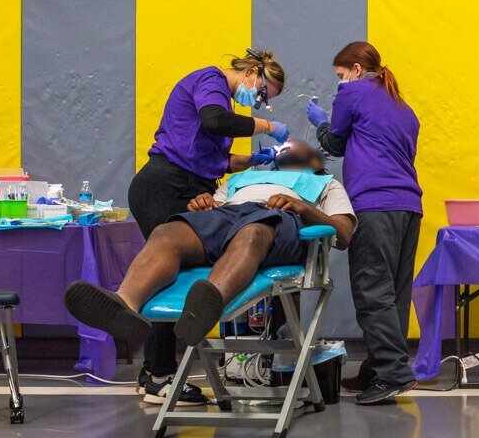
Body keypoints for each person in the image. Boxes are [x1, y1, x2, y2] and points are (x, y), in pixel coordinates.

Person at [65, 139, 357, 379]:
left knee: (253, 232)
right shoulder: (243, 179)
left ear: (316, 160)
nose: (288, 147)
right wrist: (203, 203)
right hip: (226, 215)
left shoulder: (328, 185)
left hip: (280, 220)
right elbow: (215, 207)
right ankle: (125, 305)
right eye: (285, 146)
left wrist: (303, 207)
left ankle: (208, 304)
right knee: (168, 231)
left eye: (298, 146)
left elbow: (343, 233)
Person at [122, 49, 289, 405]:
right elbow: (214, 120)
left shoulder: (222, 103)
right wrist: (269, 127)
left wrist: (261, 161)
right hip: (164, 185)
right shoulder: (210, 81)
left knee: (176, 270)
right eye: (261, 94)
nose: (257, 103)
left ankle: (152, 372)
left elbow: (217, 159)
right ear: (252, 72)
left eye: (264, 104)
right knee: (166, 269)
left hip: (191, 187)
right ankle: (158, 374)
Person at [306, 41, 423, 405]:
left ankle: (393, 374)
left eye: (340, 74)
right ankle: (377, 368)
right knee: (395, 294)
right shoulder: (404, 108)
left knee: (372, 289)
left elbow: (335, 144)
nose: (339, 81)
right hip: (409, 207)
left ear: (356, 70)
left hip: (375, 203)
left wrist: (321, 121)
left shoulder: (352, 93)